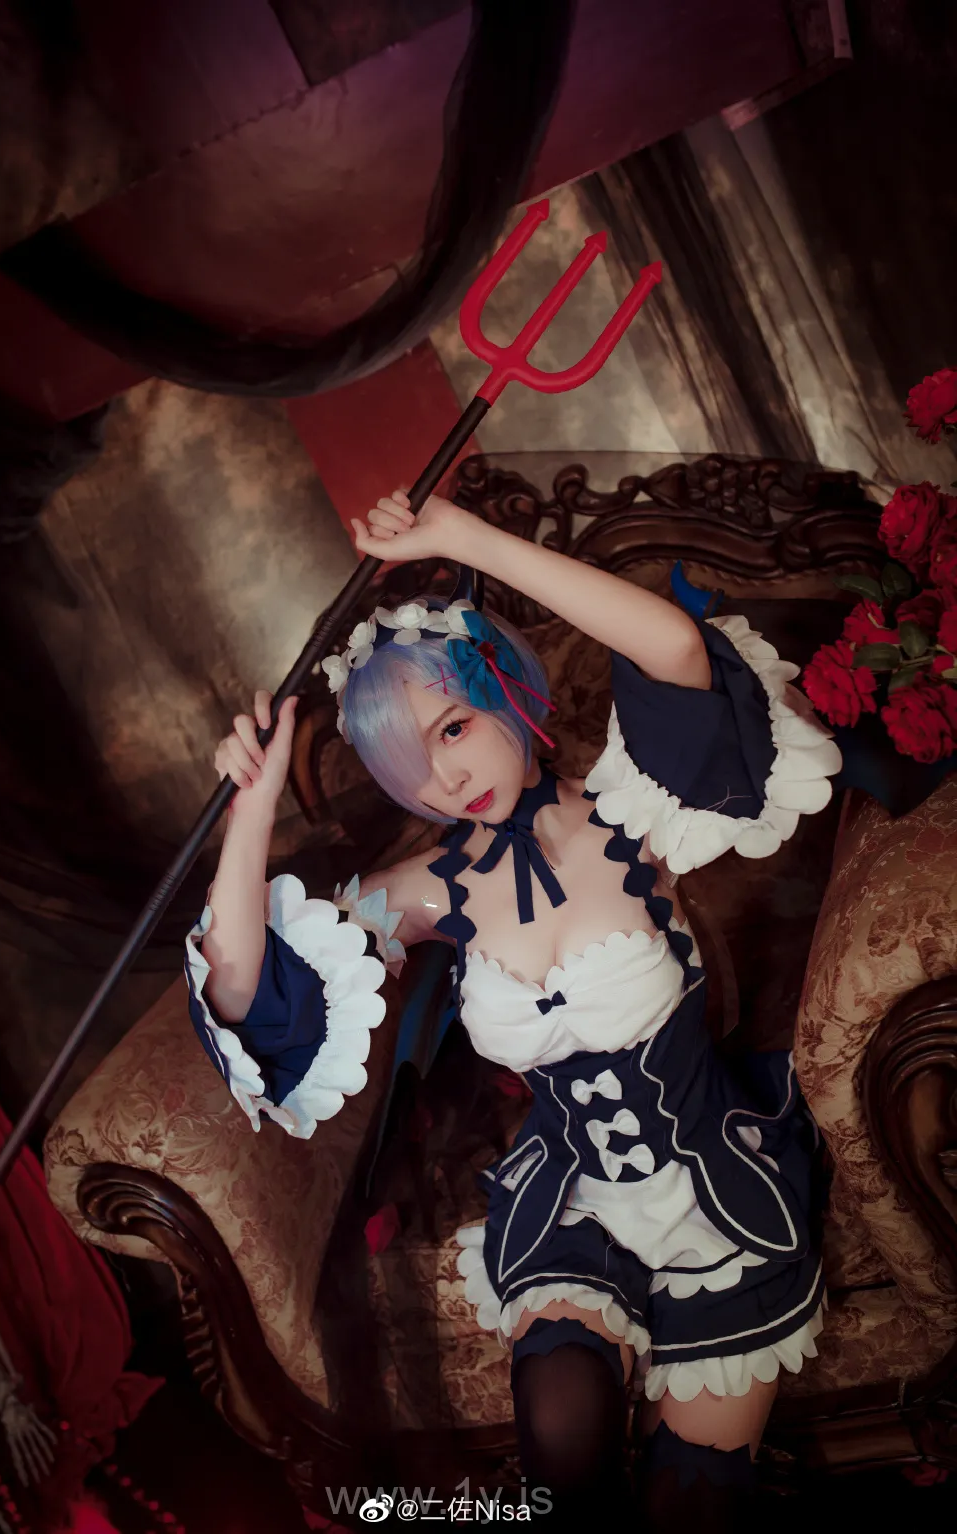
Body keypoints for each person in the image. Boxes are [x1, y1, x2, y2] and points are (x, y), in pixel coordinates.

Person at [185, 488, 841, 1529]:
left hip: (715, 1190)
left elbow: (675, 646)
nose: (447, 777)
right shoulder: (428, 892)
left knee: (691, 1507)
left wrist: (463, 539)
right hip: (573, 1203)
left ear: (506, 687)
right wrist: (251, 813)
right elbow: (242, 989)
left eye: (453, 725)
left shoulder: (636, 813)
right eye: (411, 764)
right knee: (564, 1447)